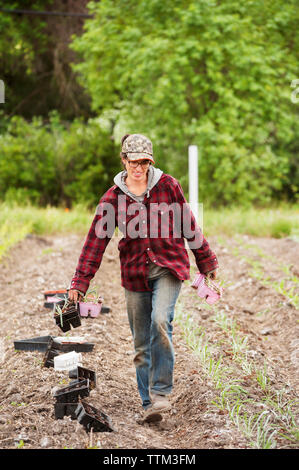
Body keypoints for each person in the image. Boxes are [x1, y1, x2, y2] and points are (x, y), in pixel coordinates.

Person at [68, 134, 219, 423]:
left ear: (150, 162)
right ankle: (149, 404)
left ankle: (161, 393)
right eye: (133, 162)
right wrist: (79, 283)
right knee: (141, 343)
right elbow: (94, 243)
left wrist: (206, 261)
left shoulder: (168, 186)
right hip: (135, 274)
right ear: (124, 161)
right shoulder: (112, 198)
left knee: (160, 321)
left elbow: (189, 223)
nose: (139, 167)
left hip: (169, 267)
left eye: (144, 162)